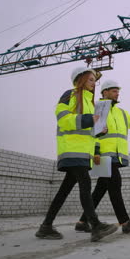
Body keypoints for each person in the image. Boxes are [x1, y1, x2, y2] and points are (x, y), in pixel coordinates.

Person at [35, 67, 118, 242]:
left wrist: (99, 131)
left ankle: (46, 226)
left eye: (95, 80)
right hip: (71, 149)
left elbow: (88, 130)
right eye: (90, 80)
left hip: (82, 152)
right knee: (85, 184)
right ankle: (95, 225)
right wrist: (89, 120)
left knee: (64, 190)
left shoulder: (90, 102)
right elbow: (63, 119)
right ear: (79, 80)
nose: (94, 83)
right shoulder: (70, 95)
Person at [74, 79, 130, 234]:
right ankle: (125, 222)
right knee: (115, 185)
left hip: (116, 156)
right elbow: (93, 133)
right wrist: (96, 152)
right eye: (114, 90)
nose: (117, 93)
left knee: (101, 189)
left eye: (117, 91)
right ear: (105, 92)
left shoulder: (121, 113)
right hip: (103, 156)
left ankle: (82, 221)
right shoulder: (98, 109)